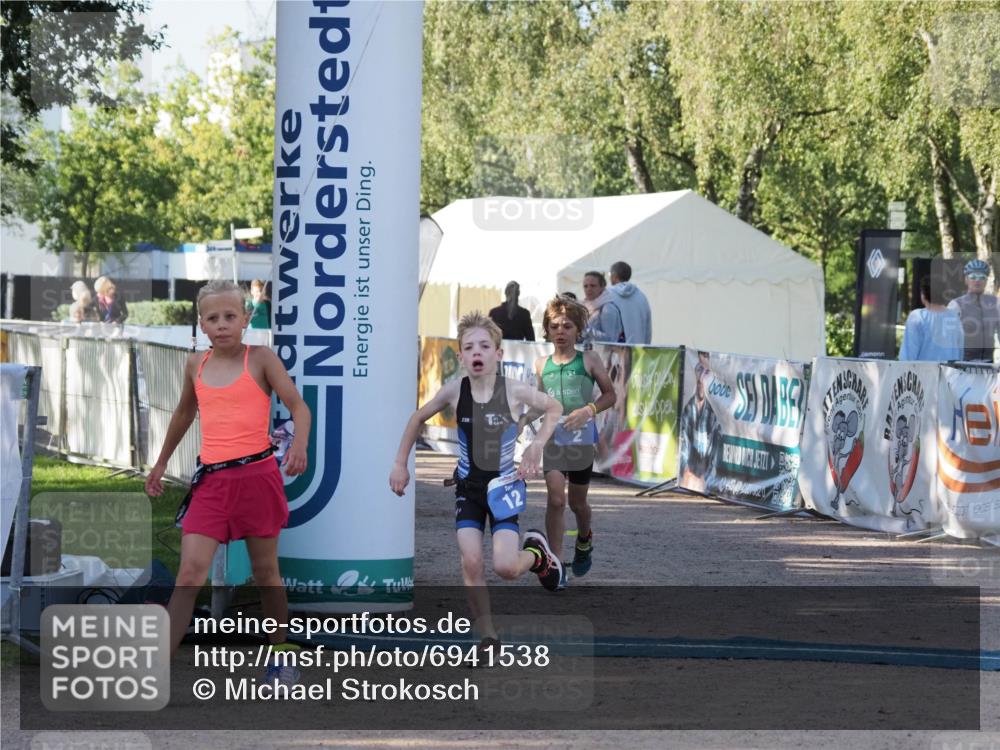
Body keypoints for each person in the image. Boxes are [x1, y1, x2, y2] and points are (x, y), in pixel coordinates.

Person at [145, 280, 311, 684]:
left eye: (230, 317)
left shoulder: (262, 359)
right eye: (213, 318)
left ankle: (280, 656)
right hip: (212, 483)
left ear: (245, 319)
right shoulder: (194, 364)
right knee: (189, 574)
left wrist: (299, 445)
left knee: (266, 571)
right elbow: (183, 415)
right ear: (201, 323)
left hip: (258, 479)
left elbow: (298, 405)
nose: (222, 325)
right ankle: (154, 674)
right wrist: (160, 463)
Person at [389, 311, 564, 649]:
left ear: (499, 353)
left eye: (485, 346)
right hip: (468, 489)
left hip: (504, 488)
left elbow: (554, 407)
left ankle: (538, 556)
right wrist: (400, 463)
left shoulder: (514, 391)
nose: (477, 353)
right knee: (471, 561)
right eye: (469, 347)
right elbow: (417, 418)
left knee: (507, 568)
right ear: (461, 356)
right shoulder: (455, 391)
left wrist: (536, 447)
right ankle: (487, 637)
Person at [529, 297, 615, 586]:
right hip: (553, 438)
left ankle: (584, 538)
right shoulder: (541, 364)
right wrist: (519, 421)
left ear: (578, 330)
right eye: (554, 326)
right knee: (555, 498)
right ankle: (554, 563)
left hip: (580, 442)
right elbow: (540, 402)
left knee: (578, 503)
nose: (561, 331)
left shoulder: (589, 360)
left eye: (567, 326)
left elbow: (610, 395)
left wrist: (588, 410)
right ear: (547, 330)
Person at [677, 351, 721, 493]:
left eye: (706, 372)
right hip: (688, 480)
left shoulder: (715, 415)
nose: (701, 376)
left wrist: (704, 479)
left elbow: (715, 458)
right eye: (699, 369)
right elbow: (682, 449)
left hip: (705, 484)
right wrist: (685, 473)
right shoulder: (688, 409)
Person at [899, 275, 963, 361]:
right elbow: (960, 352)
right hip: (951, 373)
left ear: (923, 295)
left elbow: (908, 355)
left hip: (922, 373)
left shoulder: (917, 317)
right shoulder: (954, 317)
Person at [947, 258, 999, 362]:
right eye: (973, 277)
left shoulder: (995, 304)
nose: (977, 280)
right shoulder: (956, 305)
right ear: (966, 280)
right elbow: (947, 338)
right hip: (963, 365)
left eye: (982, 277)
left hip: (988, 366)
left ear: (986, 280)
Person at [607, 261, 652, 344]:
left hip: (615, 352)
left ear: (614, 276)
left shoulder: (607, 295)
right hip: (638, 351)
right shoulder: (641, 296)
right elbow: (647, 328)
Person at [582, 271, 624, 345]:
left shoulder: (608, 308)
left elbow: (610, 339)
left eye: (593, 286)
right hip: (589, 354)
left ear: (602, 287)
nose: (588, 289)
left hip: (604, 355)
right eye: (586, 286)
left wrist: (586, 331)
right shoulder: (585, 306)